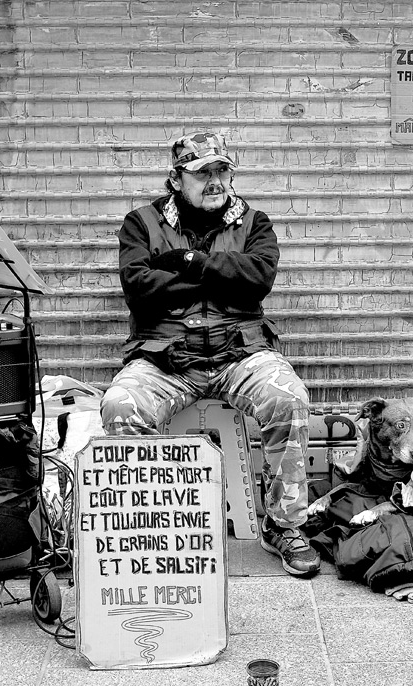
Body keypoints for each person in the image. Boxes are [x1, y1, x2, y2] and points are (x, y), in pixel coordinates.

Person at [101, 131, 320, 578]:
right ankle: (151, 529)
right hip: (166, 358)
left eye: (222, 170)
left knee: (289, 399)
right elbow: (139, 289)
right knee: (120, 406)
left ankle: (284, 524)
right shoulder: (140, 223)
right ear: (176, 179)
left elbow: (257, 280)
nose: (215, 181)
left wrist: (189, 262)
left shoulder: (254, 222)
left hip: (239, 355)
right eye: (202, 173)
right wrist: (222, 277)